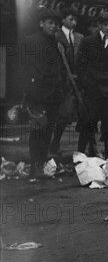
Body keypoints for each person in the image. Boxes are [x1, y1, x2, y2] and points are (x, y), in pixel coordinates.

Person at [76, 11, 108, 159]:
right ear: (99, 25)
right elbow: (80, 64)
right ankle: (80, 154)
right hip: (93, 89)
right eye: (105, 24)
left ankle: (107, 155)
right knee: (87, 122)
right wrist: (87, 83)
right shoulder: (88, 42)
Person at [23, 9, 65, 176]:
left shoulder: (57, 44)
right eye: (50, 23)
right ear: (41, 23)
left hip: (53, 94)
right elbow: (24, 67)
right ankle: (35, 166)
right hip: (37, 94)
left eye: (56, 24)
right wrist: (28, 89)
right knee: (37, 130)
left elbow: (60, 68)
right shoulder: (30, 41)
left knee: (48, 130)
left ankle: (41, 162)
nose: (53, 26)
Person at [50, 7, 84, 155]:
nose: (74, 22)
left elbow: (82, 59)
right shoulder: (55, 36)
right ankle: (54, 144)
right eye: (71, 19)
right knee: (61, 116)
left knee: (84, 114)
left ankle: (84, 148)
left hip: (77, 83)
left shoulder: (80, 38)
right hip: (60, 82)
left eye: (75, 20)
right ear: (63, 20)